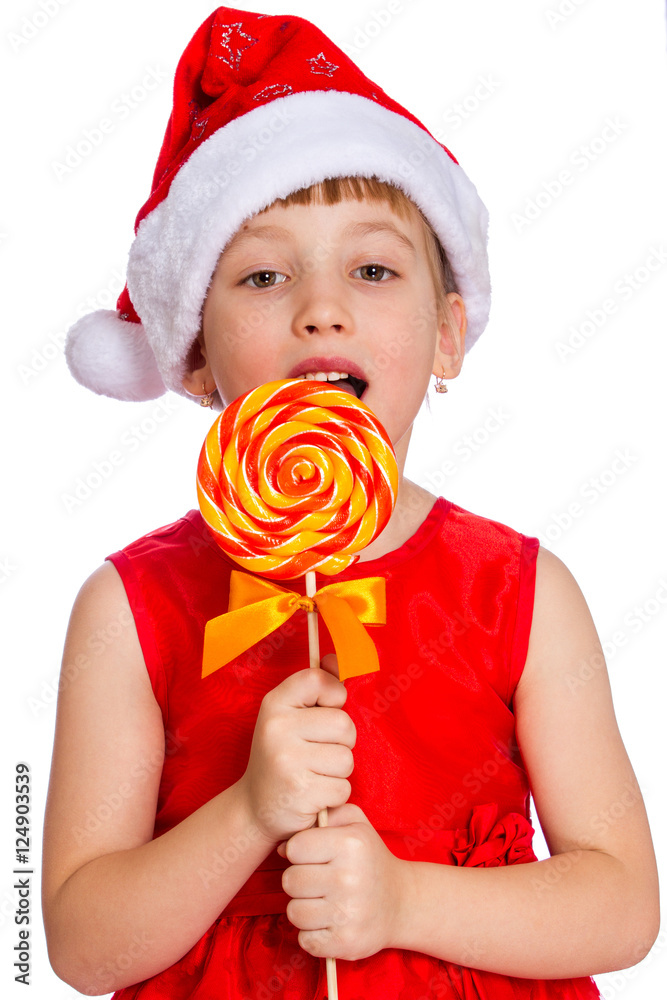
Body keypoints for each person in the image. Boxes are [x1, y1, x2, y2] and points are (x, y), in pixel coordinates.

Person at [41, 6, 659, 999]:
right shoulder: (127, 612)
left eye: (371, 268)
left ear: (448, 334)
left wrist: (405, 901)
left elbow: (623, 905)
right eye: (262, 274)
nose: (319, 305)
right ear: (194, 357)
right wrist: (250, 809)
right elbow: (76, 940)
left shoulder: (524, 593)